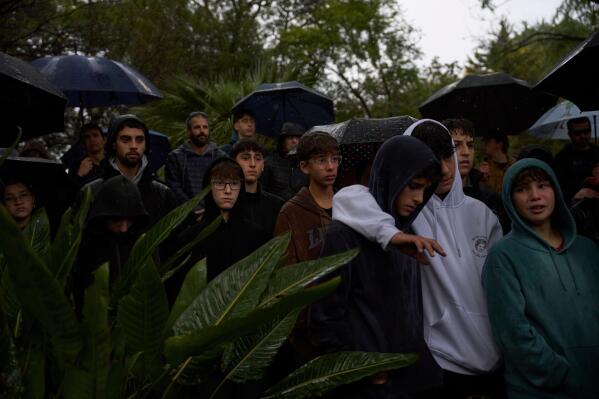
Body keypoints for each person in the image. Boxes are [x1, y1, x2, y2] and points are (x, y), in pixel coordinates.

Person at [333, 119, 504, 398]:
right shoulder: (404, 210)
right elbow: (349, 198)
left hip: (494, 358)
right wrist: (391, 233)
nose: (446, 169)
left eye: (449, 155)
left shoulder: (483, 213)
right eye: (434, 160)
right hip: (438, 360)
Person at [310, 135, 443, 398]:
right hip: (369, 385)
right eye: (413, 186)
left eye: (425, 190)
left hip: (412, 379)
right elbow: (324, 316)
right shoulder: (343, 235)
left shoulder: (407, 231)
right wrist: (359, 368)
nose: (418, 198)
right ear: (391, 179)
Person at [482, 158, 599, 399]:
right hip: (541, 390)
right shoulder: (502, 256)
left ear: (555, 190)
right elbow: (513, 332)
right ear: (509, 198)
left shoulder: (587, 250)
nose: (535, 196)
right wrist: (561, 374)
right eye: (522, 189)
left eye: (543, 185)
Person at [166, 158, 268, 302]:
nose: (227, 191)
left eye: (234, 184)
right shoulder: (190, 239)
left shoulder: (257, 237)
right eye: (220, 183)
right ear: (209, 187)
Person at [77, 114, 176, 230]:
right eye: (125, 139)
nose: (133, 146)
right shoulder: (91, 192)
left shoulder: (163, 193)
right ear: (113, 144)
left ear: (146, 145)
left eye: (139, 140)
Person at [71, 175, 149, 318]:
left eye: (130, 220)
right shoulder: (85, 244)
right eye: (117, 221)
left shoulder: (144, 242)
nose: (124, 228)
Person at [274, 131, 340, 264]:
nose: (331, 167)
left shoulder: (350, 203)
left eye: (335, 159)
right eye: (321, 160)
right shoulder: (290, 213)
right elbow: (286, 268)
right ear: (304, 167)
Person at [443, 118, 509, 232]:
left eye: (470, 145)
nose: (466, 152)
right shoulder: (430, 200)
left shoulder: (490, 200)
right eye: (456, 145)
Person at [165, 111, 226, 205]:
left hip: (214, 213)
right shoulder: (175, 157)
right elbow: (174, 187)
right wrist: (192, 208)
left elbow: (225, 186)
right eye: (197, 127)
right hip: (184, 213)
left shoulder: (221, 157)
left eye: (205, 127)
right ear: (189, 131)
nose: (202, 131)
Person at [232, 139, 284, 238]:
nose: (252, 164)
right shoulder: (227, 203)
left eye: (258, 159)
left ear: (263, 165)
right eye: (246, 158)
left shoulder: (277, 205)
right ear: (233, 163)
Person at [554, 116, 599, 202]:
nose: (583, 136)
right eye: (577, 133)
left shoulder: (597, 152)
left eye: (586, 131)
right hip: (575, 206)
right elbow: (557, 188)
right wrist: (575, 193)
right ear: (569, 135)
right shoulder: (561, 158)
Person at [261, 122, 308, 200]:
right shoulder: (269, 163)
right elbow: (262, 192)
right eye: (290, 138)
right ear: (282, 141)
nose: (295, 141)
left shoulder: (306, 164)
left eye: (298, 138)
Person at [68, 123, 106, 188]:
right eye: (87, 137)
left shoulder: (114, 161)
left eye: (95, 135)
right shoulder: (76, 166)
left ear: (104, 140)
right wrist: (79, 175)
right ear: (83, 143)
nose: (92, 139)